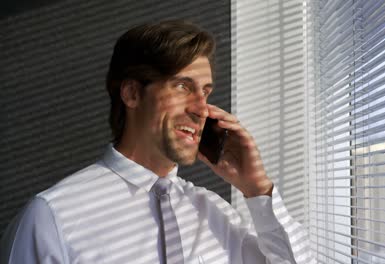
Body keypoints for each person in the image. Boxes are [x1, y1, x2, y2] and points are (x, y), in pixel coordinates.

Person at [0, 20, 313, 264]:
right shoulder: (50, 219)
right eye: (182, 86)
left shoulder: (215, 213)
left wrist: (257, 189)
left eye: (205, 91)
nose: (201, 109)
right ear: (132, 93)